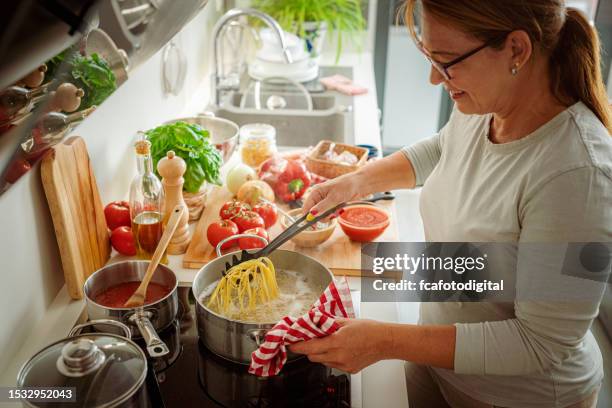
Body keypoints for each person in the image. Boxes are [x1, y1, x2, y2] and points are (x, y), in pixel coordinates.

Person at [289, 1, 612, 407]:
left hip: (515, 398)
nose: (432, 78)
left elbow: (542, 343)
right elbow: (443, 148)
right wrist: (354, 182)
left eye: (445, 63)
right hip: (436, 362)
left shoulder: (580, 175)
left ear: (517, 50)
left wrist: (386, 339)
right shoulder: (488, 104)